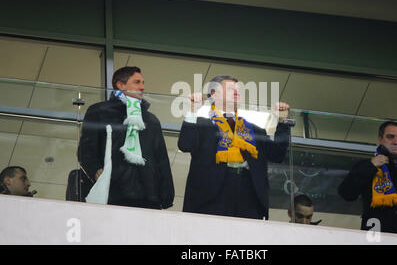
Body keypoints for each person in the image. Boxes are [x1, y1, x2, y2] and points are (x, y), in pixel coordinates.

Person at [178, 75, 290, 219]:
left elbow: (277, 155)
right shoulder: (202, 124)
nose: (237, 91)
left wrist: (282, 122)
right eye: (231, 88)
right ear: (214, 95)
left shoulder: (254, 130)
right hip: (211, 196)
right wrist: (192, 111)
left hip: (248, 195)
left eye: (238, 89)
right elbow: (185, 144)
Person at [77, 66, 174, 209]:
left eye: (143, 82)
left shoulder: (151, 120)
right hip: (112, 195)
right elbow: (86, 150)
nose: (142, 87)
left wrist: (166, 196)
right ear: (120, 85)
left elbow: (161, 160)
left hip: (148, 198)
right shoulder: (99, 111)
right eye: (137, 82)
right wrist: (97, 172)